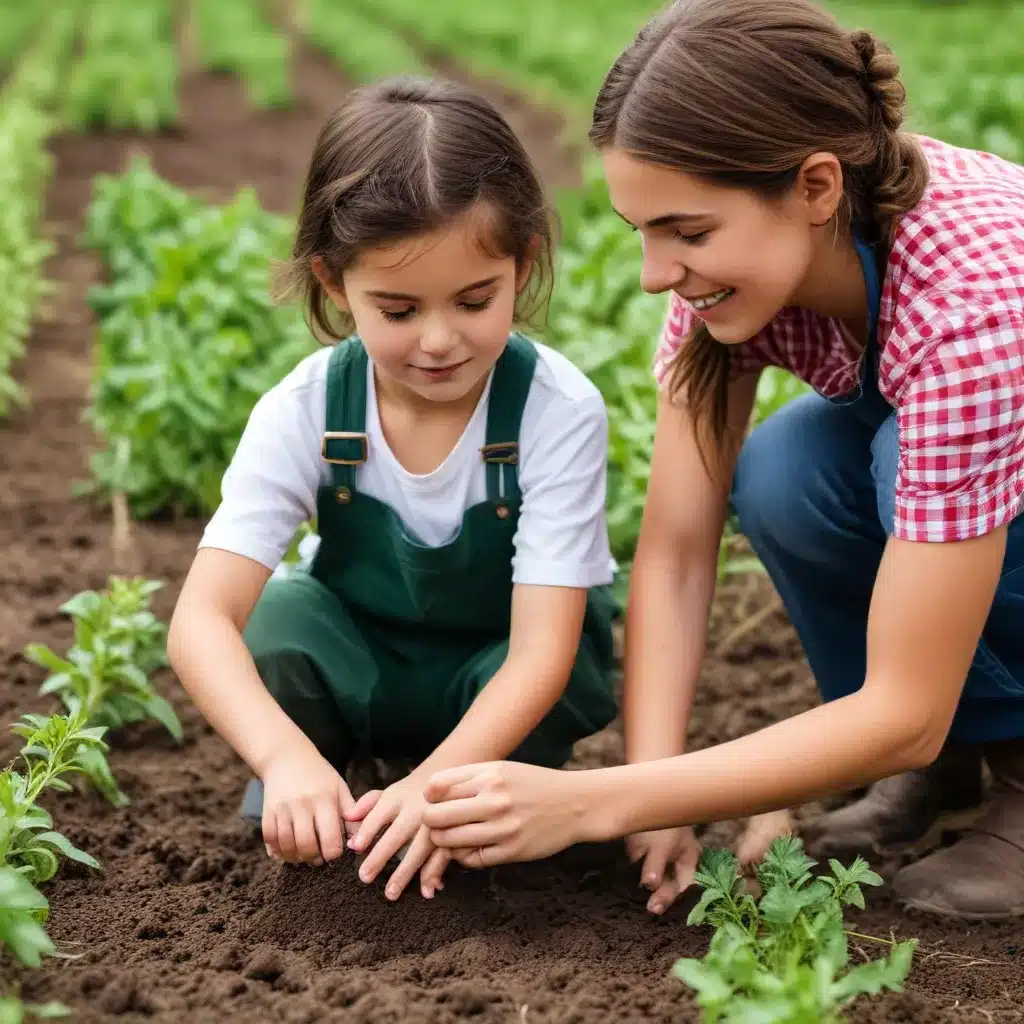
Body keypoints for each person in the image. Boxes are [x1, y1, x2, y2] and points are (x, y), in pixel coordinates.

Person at [420, 0, 1024, 922]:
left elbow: (907, 703)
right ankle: (946, 772)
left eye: (687, 232)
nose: (656, 272)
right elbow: (673, 551)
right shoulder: (739, 271)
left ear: (817, 187)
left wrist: (594, 801)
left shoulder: (972, 308)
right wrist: (656, 785)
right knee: (791, 473)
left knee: (900, 462)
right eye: (643, 232)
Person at [166, 77, 619, 904]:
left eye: (475, 300)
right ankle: (325, 791)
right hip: (362, 666)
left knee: (574, 650)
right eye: (399, 308)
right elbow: (202, 620)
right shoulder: (307, 409)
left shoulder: (556, 409)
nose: (440, 340)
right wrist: (282, 756)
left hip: (498, 680)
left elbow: (541, 655)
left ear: (523, 264)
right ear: (335, 284)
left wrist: (435, 788)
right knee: (278, 621)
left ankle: (459, 805)